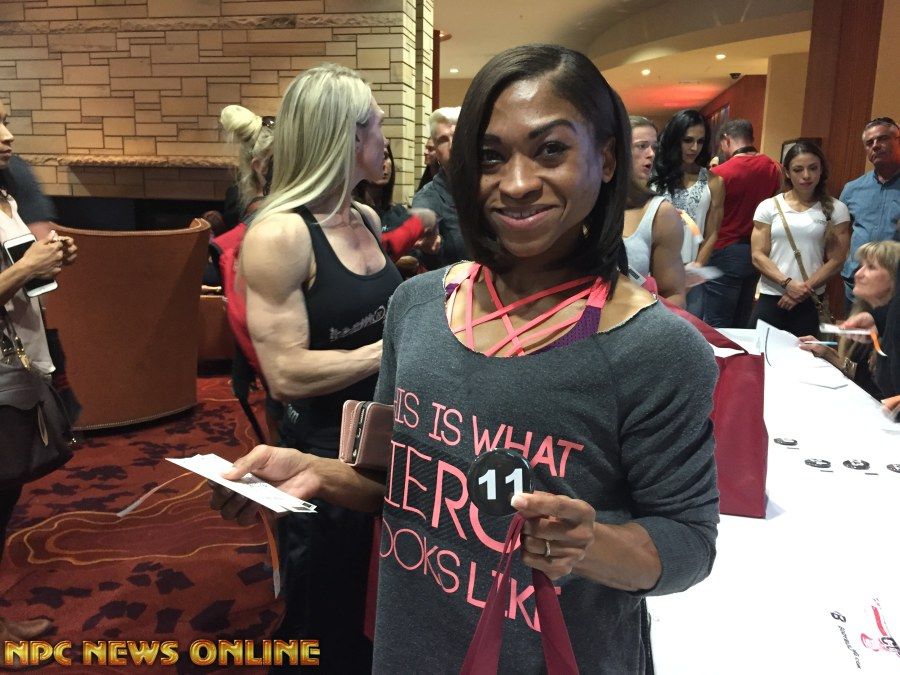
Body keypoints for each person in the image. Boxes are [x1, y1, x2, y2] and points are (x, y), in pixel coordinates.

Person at [213, 44, 718, 673]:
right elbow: (397, 483)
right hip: (411, 648)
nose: (517, 183)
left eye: (550, 150)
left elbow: (688, 543)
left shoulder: (656, 349)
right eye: (491, 156)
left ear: (607, 158)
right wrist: (317, 472)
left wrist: (589, 545)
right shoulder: (418, 306)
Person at [227, 64, 403, 672]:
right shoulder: (280, 235)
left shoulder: (367, 219)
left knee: (374, 605)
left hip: (381, 436)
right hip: (321, 451)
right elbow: (286, 374)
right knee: (323, 613)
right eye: (377, 122)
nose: (386, 136)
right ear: (347, 135)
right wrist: (396, 348)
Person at [0, 99, 77, 646]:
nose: (7, 135)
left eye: (5, 121)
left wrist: (47, 262)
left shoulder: (4, 196)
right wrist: (28, 266)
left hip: (14, 369)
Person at [749, 141, 850, 337]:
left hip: (811, 299)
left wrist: (803, 289)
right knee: (758, 351)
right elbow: (758, 255)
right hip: (772, 296)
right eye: (798, 169)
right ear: (787, 172)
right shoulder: (769, 206)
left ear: (821, 170)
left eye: (813, 168)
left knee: (805, 353)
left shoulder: (837, 209)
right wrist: (788, 284)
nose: (806, 175)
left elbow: (837, 259)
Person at [705, 119, 782, 327]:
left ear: (726, 140)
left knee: (717, 322)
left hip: (724, 248)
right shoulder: (775, 168)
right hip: (757, 250)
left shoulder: (720, 174)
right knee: (743, 318)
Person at [800, 241, 900, 400]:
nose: (858, 274)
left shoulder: (892, 328)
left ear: (895, 279)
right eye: (860, 266)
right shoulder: (863, 316)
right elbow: (860, 376)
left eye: (871, 267)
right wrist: (826, 353)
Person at [650, 109, 724, 317]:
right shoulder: (653, 178)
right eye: (688, 140)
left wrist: (697, 268)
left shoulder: (714, 182)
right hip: (652, 272)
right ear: (675, 139)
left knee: (690, 329)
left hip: (691, 274)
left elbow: (712, 232)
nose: (694, 148)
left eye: (700, 141)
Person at [624, 115, 686, 305]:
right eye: (642, 146)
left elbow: (673, 294)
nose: (651, 153)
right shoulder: (585, 203)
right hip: (577, 320)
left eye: (654, 147)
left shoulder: (659, 212)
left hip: (632, 319)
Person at [839, 117, 900, 306]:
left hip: (895, 290)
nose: (875, 145)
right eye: (869, 142)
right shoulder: (852, 189)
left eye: (882, 139)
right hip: (857, 287)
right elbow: (839, 235)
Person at [352, 139, 441, 266]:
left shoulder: (398, 212)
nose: (383, 164)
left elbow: (419, 254)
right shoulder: (354, 215)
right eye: (375, 156)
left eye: (385, 156)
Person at [411, 106, 466, 267]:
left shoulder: (492, 183)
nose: (452, 145)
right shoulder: (427, 199)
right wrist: (432, 249)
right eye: (443, 140)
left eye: (458, 136)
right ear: (436, 150)